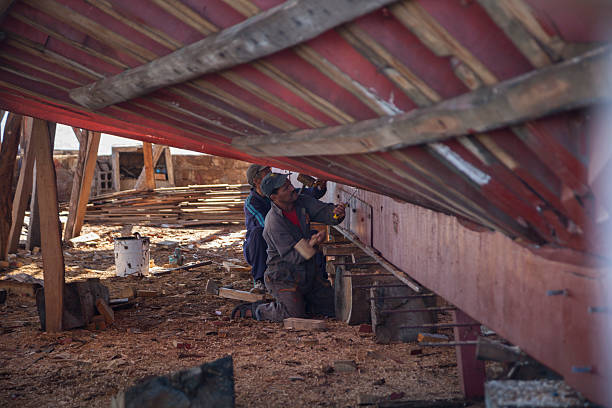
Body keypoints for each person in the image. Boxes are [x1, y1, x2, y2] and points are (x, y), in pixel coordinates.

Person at [234, 172, 345, 321]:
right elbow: (293, 256)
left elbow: (326, 213)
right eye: (286, 188)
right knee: (294, 314)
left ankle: (304, 302)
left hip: (308, 275)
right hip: (283, 276)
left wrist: (336, 213)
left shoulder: (301, 202)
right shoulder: (273, 222)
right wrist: (312, 243)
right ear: (274, 197)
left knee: (336, 308)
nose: (292, 188)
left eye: (289, 184)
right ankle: (255, 310)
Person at [243, 165, 328, 292]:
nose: (270, 173)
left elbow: (302, 194)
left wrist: (319, 187)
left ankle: (319, 278)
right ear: (256, 180)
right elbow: (267, 226)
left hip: (284, 238)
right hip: (264, 246)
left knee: (313, 236)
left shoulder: (280, 191)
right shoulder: (252, 202)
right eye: (266, 171)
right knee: (257, 234)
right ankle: (259, 280)